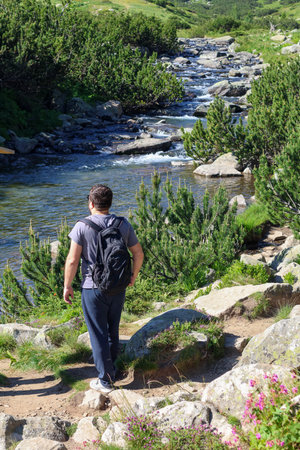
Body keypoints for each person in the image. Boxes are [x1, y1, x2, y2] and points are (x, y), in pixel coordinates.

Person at [63, 184, 144, 393]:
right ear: (109, 203)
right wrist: (132, 276)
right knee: (112, 331)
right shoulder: (122, 224)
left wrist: (67, 285)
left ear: (91, 203)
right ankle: (112, 371)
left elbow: (72, 260)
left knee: (97, 334)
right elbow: (138, 253)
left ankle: (105, 381)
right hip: (118, 286)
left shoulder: (82, 226)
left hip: (93, 287)